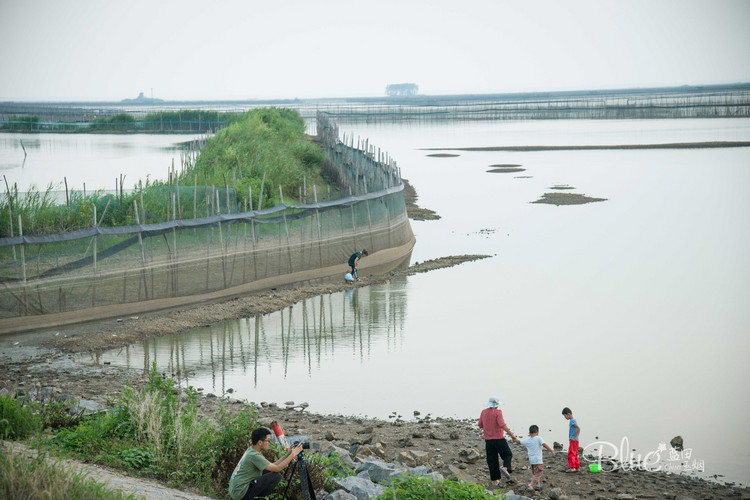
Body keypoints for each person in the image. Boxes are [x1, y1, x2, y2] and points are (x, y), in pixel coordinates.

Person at [228, 426, 304, 499]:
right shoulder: (254, 455)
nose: (269, 443)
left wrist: (288, 454)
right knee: (275, 476)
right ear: (260, 442)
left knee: (269, 470)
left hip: (236, 490)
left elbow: (273, 465)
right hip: (240, 493)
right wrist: (293, 454)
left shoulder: (251, 450)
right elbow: (277, 468)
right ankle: (256, 497)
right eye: (268, 440)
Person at [478, 396, 520, 488]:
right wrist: (512, 435)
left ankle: (495, 481)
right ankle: (505, 467)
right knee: (507, 454)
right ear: (497, 405)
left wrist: (488, 426)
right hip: (499, 439)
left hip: (488, 440)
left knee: (492, 460)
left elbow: (480, 425)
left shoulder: (484, 412)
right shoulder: (498, 412)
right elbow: (502, 425)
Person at [519, 424, 555, 491]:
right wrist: (551, 450)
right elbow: (544, 445)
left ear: (529, 433)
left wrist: (513, 437)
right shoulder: (538, 438)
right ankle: (531, 484)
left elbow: (519, 442)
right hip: (538, 460)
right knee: (538, 473)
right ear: (537, 432)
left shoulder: (527, 440)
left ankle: (538, 484)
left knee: (535, 473)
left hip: (531, 460)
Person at [562, 407, 581, 472]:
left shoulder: (572, 421)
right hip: (575, 440)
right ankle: (577, 467)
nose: (565, 417)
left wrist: (574, 437)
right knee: (575, 453)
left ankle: (572, 467)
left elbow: (578, 428)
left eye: (565, 416)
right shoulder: (573, 420)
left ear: (568, 414)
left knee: (571, 453)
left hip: (573, 440)